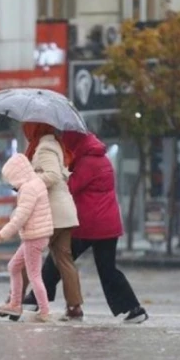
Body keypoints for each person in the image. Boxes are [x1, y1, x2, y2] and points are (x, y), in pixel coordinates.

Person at [24, 131, 148, 324]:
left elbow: (70, 187)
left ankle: (35, 300)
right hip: (107, 225)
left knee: (59, 257)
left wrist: (59, 172)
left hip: (89, 224)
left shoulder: (88, 162)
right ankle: (134, 309)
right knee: (107, 270)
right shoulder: (100, 159)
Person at [20, 122, 83, 320]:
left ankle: (14, 300)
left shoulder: (45, 147)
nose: (26, 131)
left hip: (52, 213)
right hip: (64, 212)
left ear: (35, 128)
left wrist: (28, 183)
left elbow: (53, 176)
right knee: (64, 260)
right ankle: (74, 307)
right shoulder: (56, 145)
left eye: (28, 127)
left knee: (25, 256)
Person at [0, 153, 54, 323]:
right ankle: (15, 304)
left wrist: (3, 233)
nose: (11, 183)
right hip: (37, 235)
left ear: (17, 174)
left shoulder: (28, 188)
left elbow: (21, 216)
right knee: (13, 267)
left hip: (34, 237)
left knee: (34, 275)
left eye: (11, 178)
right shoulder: (36, 182)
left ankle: (44, 311)